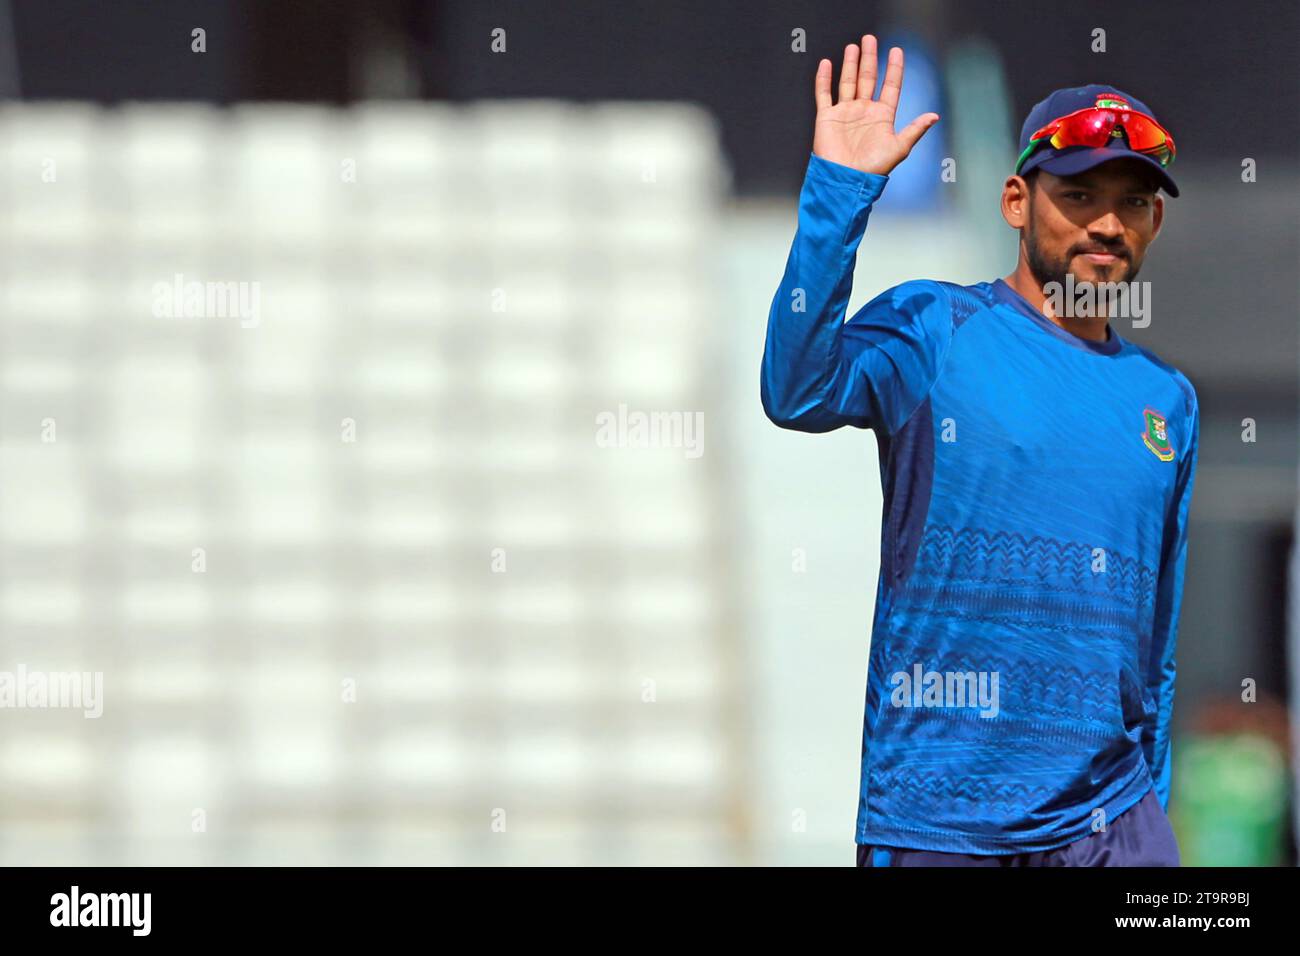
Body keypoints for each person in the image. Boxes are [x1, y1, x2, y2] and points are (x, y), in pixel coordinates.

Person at [760, 35, 1197, 866]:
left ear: (1156, 219)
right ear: (1015, 202)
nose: (1107, 224)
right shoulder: (933, 325)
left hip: (1111, 823)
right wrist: (840, 192)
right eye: (1078, 194)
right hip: (940, 819)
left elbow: (1156, 645)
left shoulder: (1167, 400)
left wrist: (1154, 813)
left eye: (1133, 202)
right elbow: (797, 389)